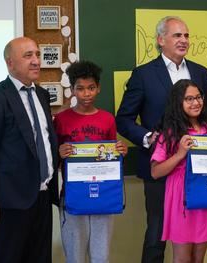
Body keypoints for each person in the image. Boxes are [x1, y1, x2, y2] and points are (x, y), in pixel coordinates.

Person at [116, 16, 207, 263]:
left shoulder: (201, 73)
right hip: (161, 167)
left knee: (196, 237)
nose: (183, 40)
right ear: (161, 40)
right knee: (157, 233)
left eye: (186, 35)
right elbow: (123, 119)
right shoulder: (143, 74)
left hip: (198, 171)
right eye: (177, 35)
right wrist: (149, 138)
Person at [0, 37, 59, 263]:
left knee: (40, 258)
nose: (36, 61)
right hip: (10, 202)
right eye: (28, 55)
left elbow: (45, 140)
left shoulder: (42, 95)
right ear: (10, 63)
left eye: (37, 54)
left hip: (42, 197)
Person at [151, 79, 207, 262]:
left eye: (198, 97)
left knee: (198, 259)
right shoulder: (170, 132)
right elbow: (155, 172)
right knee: (183, 259)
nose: (196, 102)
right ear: (178, 103)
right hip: (181, 198)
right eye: (189, 99)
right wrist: (179, 154)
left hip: (206, 195)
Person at [53, 60, 128, 263]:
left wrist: (121, 150)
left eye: (91, 88)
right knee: (75, 256)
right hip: (72, 196)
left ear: (98, 88)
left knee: (101, 256)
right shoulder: (61, 120)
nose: (86, 94)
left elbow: (112, 157)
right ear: (72, 90)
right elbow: (52, 159)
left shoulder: (107, 119)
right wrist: (59, 152)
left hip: (103, 195)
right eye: (80, 88)